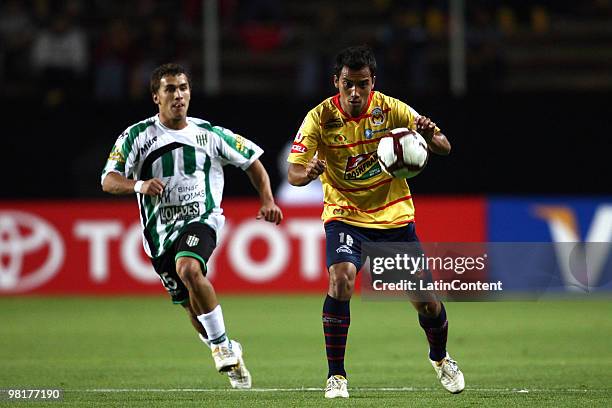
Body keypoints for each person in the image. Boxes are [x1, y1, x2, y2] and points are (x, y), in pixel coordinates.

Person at [287, 45, 464, 398]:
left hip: (393, 214)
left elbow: (444, 146)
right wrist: (307, 173)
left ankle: (441, 358)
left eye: (363, 84)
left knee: (426, 301)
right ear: (335, 82)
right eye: (348, 84)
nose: (355, 92)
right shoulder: (319, 118)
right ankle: (336, 376)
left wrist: (428, 135)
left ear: (373, 83)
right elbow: (293, 173)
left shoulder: (391, 109)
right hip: (345, 214)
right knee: (341, 279)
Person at [101, 63, 283, 389]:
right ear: (155, 97)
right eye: (170, 89)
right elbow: (108, 180)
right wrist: (138, 186)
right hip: (158, 236)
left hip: (202, 220)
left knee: (188, 269)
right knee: (189, 305)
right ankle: (226, 347)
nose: (178, 95)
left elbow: (252, 163)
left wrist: (267, 200)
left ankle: (222, 345)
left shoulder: (208, 134)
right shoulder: (135, 137)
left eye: (183, 87)